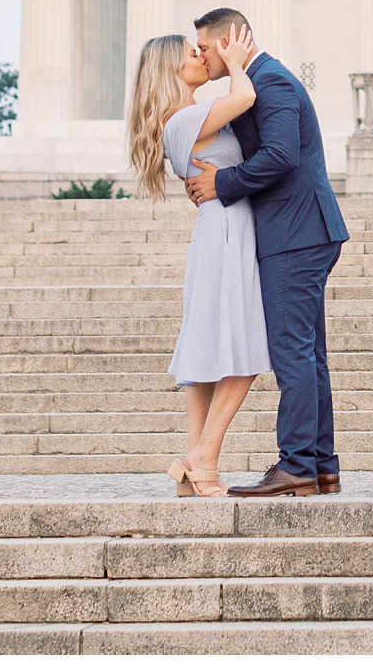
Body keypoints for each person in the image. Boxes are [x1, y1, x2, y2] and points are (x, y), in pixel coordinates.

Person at [185, 6, 351, 498]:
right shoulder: (257, 82)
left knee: (291, 352)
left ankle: (297, 463)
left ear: (229, 42)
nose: (202, 56)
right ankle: (320, 466)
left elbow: (281, 155)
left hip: (295, 233)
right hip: (299, 231)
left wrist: (222, 183)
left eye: (205, 46)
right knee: (309, 354)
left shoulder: (271, 81)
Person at [124, 25, 265, 498]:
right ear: (171, 69)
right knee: (245, 350)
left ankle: (194, 465)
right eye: (192, 53)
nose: (203, 57)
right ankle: (203, 456)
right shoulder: (184, 119)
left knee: (210, 351)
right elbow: (244, 97)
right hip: (227, 231)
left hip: (221, 227)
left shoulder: (187, 118)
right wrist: (238, 59)